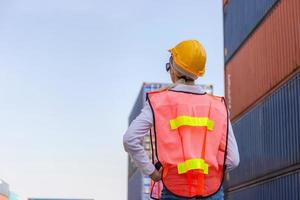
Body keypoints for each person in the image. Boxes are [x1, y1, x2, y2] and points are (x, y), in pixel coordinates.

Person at [123, 40, 239, 200]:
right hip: (212, 192)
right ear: (199, 72)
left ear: (174, 70)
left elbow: (130, 139)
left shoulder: (160, 102)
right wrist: (208, 164)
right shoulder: (217, 107)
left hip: (174, 190)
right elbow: (233, 160)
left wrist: (152, 172)